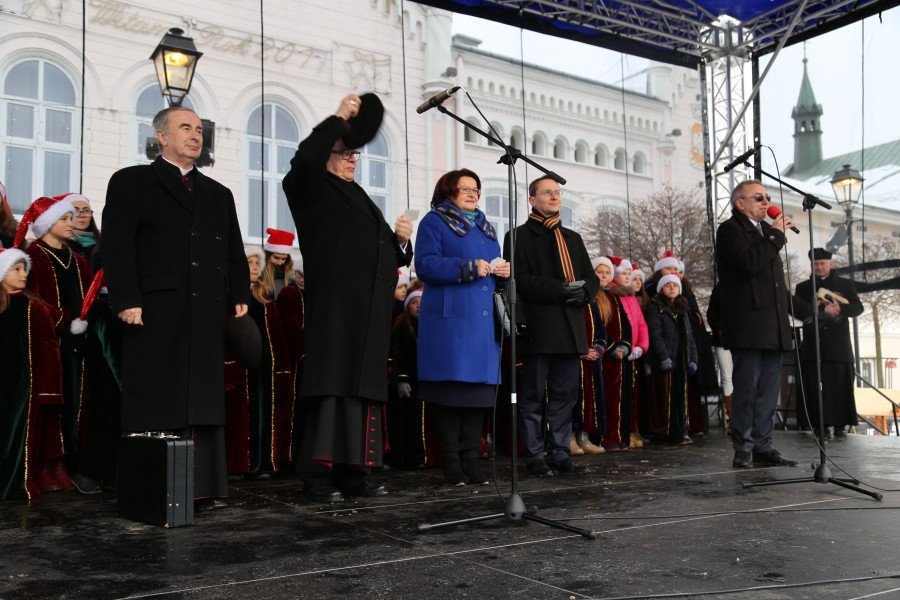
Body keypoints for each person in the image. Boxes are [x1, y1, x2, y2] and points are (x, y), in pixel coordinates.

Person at [102, 105, 250, 509]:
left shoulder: (220, 194)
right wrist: (127, 299)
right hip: (154, 308)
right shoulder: (132, 182)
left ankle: (203, 487)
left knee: (202, 395)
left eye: (200, 129)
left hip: (205, 310)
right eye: (185, 127)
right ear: (162, 137)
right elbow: (117, 246)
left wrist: (239, 292)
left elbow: (234, 251)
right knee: (157, 394)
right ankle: (153, 485)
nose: (195, 135)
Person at [282, 92, 412, 503]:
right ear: (326, 154)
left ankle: (354, 471)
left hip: (369, 313)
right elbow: (303, 159)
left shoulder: (360, 197)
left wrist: (400, 243)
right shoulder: (311, 188)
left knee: (362, 393)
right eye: (342, 152)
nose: (351, 158)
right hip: (337, 311)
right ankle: (317, 476)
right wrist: (339, 117)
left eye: (355, 153)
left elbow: (379, 252)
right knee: (332, 389)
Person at [415, 169, 510, 486]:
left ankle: (473, 459)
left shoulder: (486, 227)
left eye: (476, 189)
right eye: (464, 188)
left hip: (483, 325)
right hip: (451, 322)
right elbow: (425, 265)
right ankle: (452, 462)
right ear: (448, 191)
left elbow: (491, 270)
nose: (472, 194)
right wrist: (469, 268)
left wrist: (502, 270)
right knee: (450, 394)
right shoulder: (435, 222)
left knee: (477, 397)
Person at [506, 175, 598, 477]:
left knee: (565, 396)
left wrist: (585, 292)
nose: (554, 197)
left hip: (571, 328)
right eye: (547, 193)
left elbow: (590, 275)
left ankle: (559, 453)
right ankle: (534, 455)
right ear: (532, 199)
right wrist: (560, 289)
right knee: (532, 396)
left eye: (557, 192)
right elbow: (520, 279)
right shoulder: (517, 236)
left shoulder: (572, 237)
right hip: (538, 328)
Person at [715, 180, 810, 469]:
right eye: (758, 197)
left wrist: (805, 312)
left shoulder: (768, 232)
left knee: (769, 389)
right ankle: (743, 447)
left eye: (767, 196)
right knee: (747, 388)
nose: (765, 201)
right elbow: (749, 262)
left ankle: (763, 445)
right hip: (749, 323)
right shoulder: (730, 230)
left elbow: (776, 286)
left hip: (774, 324)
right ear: (740, 203)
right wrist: (776, 237)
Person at [16, 196, 91, 488]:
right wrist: (64, 321)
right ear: (47, 224)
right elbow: (32, 298)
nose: (72, 224)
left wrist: (83, 326)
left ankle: (66, 462)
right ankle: (46, 465)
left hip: (76, 344)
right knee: (50, 403)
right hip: (48, 344)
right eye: (65, 219)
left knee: (75, 402)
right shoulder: (35, 256)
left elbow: (88, 300)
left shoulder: (79, 261)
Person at [0, 248, 64, 502]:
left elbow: (49, 347)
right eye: (16, 269)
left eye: (24, 268)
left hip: (22, 386)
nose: (23, 274)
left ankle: (15, 486)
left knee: (18, 438)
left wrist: (49, 389)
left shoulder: (33, 308)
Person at [795, 248, 864, 439]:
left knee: (840, 385)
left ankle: (841, 424)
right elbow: (798, 310)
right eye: (815, 264)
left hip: (838, 344)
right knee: (816, 387)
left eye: (822, 263)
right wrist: (819, 311)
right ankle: (819, 424)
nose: (819, 267)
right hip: (814, 344)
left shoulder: (845, 284)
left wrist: (840, 308)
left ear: (830, 264)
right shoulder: (803, 288)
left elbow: (858, 308)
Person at [645, 274, 698, 444]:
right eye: (667, 285)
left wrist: (693, 359)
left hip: (681, 359)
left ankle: (680, 430)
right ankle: (664, 432)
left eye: (675, 285)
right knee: (664, 397)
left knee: (680, 397)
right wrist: (663, 357)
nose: (672, 288)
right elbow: (655, 334)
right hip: (666, 360)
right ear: (661, 288)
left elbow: (689, 337)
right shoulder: (656, 307)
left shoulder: (683, 308)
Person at [386, 289, 425, 470]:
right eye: (414, 303)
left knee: (420, 421)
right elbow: (397, 354)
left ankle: (420, 456)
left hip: (423, 381)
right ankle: (405, 457)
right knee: (406, 421)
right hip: (408, 380)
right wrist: (401, 379)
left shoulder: (429, 325)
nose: (418, 306)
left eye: (421, 302)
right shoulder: (402, 327)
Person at [261, 228, 294, 299]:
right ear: (267, 254)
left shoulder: (291, 270)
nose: (279, 263)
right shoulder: (259, 269)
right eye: (276, 258)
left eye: (283, 259)